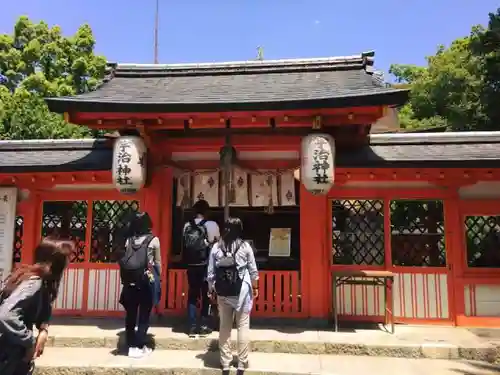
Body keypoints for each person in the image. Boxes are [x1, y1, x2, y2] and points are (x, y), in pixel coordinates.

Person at [0, 238, 73, 375]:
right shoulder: (33, 283)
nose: (68, 263)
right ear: (55, 262)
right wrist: (30, 341)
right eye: (67, 258)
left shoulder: (34, 279)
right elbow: (6, 315)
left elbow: (44, 308)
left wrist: (43, 328)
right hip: (8, 354)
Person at [207, 217, 259, 375]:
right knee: (242, 326)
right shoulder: (245, 246)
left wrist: (211, 290)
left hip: (223, 292)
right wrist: (255, 287)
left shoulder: (216, 247)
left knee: (224, 327)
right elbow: (253, 271)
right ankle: (242, 364)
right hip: (242, 291)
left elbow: (210, 273)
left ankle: (225, 363)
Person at [118, 212, 161, 358]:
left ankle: (130, 345)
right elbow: (157, 262)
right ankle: (140, 344)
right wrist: (158, 277)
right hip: (145, 281)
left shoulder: (129, 240)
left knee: (130, 314)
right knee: (144, 314)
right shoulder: (153, 240)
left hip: (130, 282)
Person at [183, 199, 220, 337]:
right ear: (206, 211)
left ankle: (192, 327)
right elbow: (218, 242)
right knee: (206, 294)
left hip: (191, 264)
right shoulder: (212, 225)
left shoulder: (187, 225)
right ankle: (204, 325)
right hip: (206, 264)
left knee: (192, 295)